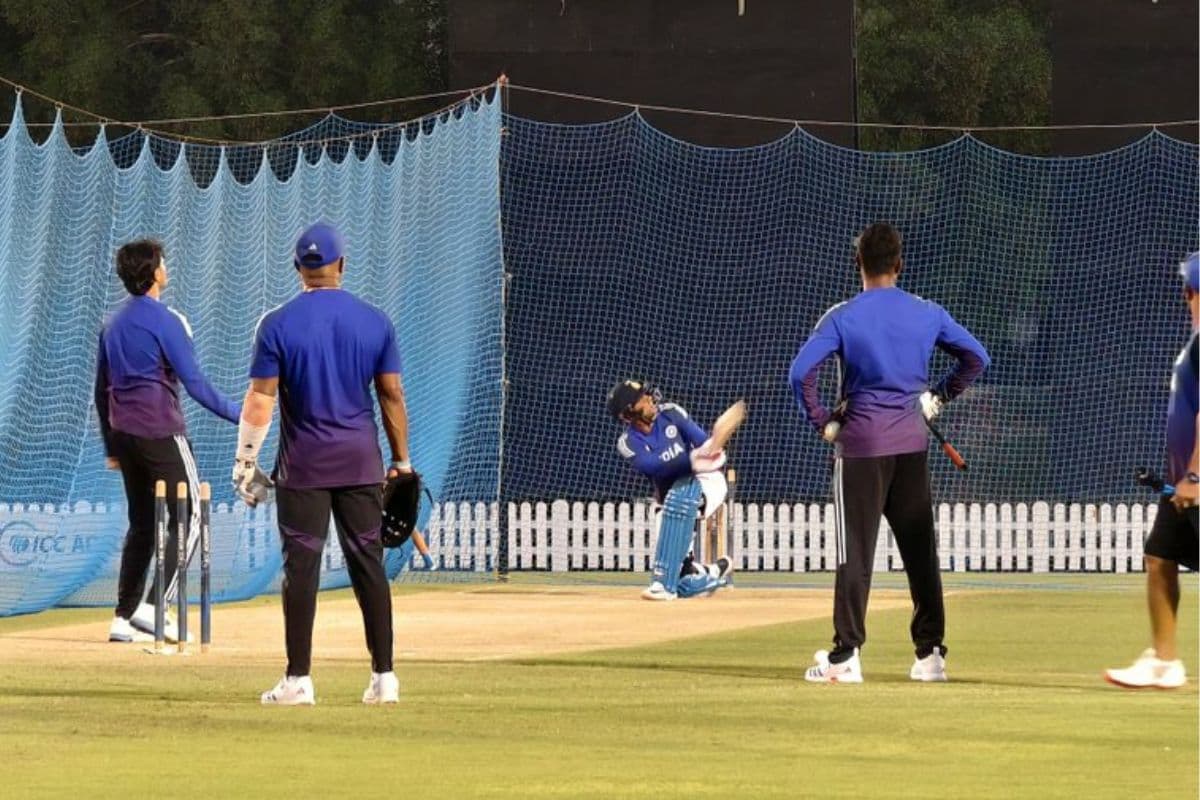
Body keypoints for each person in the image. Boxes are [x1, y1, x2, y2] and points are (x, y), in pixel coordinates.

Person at [788, 222, 989, 683]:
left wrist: (821, 420)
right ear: (900, 263)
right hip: (912, 445)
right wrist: (938, 396)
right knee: (921, 553)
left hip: (860, 448)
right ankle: (930, 656)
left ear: (857, 262)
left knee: (855, 553)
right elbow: (977, 358)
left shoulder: (842, 316)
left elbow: (800, 373)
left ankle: (845, 657)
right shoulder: (928, 312)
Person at [233, 222, 412, 706]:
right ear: (342, 265)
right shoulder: (375, 321)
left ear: (298, 268)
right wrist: (402, 461)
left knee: (302, 570)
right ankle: (385, 678)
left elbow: (260, 400)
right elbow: (391, 394)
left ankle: (298, 680)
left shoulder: (276, 324)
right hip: (360, 463)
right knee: (369, 566)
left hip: (304, 467)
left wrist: (245, 460)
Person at [95, 239, 241, 644]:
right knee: (191, 517)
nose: (166, 266)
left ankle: (123, 618)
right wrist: (241, 415)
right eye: (163, 261)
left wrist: (111, 447)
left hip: (124, 435)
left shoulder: (111, 323)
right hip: (160, 432)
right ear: (155, 272)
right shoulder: (165, 320)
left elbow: (101, 390)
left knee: (143, 523)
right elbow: (195, 383)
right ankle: (154, 607)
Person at [1105, 251, 1199, 689]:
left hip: (1193, 482)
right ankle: (1164, 662)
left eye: (1189, 289)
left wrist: (1194, 476)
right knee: (1159, 556)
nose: (1186, 297)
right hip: (1181, 483)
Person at [608, 380, 734, 601]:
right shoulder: (628, 442)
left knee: (682, 496)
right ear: (629, 412)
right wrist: (692, 459)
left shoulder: (671, 413)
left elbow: (703, 442)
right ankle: (709, 573)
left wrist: (712, 446)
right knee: (682, 575)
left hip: (706, 480)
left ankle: (662, 585)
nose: (650, 399)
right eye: (643, 398)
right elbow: (654, 467)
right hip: (669, 499)